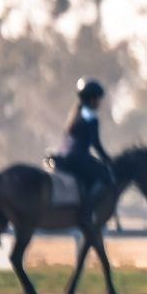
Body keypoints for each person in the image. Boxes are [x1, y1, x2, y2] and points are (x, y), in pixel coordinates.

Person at [55, 78, 116, 226]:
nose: (99, 103)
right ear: (92, 99)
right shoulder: (91, 118)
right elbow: (96, 144)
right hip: (78, 158)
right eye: (98, 99)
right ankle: (87, 211)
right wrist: (108, 160)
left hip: (65, 157)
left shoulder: (75, 114)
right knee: (105, 176)